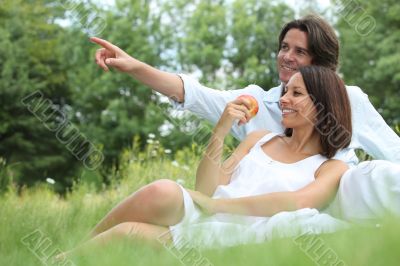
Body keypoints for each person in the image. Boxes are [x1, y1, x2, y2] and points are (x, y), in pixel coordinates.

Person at [91, 14, 400, 224]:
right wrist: (134, 67)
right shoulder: (258, 103)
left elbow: (393, 152)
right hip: (258, 213)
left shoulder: (350, 101)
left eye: (299, 52)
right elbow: (195, 94)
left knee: (373, 176)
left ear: (320, 64)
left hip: (333, 202)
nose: (287, 57)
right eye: (283, 47)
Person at [58, 65, 352, 257]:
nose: (284, 99)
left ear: (322, 104)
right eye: (286, 91)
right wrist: (221, 129)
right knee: (163, 189)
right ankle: (68, 254)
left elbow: (297, 203)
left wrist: (219, 206)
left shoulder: (331, 167)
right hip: (207, 212)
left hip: (232, 232)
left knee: (126, 234)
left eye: (296, 93)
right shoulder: (260, 138)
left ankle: (65, 259)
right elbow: (207, 188)